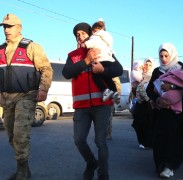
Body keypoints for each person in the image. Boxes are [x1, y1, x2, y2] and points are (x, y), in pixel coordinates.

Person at [0, 13, 53, 180]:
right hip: (6, 98)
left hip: (26, 95)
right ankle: (24, 166)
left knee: (20, 134)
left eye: (10, 26)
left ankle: (22, 170)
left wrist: (43, 89)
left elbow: (46, 69)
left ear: (19, 28)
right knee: (11, 135)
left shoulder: (32, 47)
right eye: (4, 27)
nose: (6, 30)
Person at [62, 22, 123, 180]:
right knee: (79, 140)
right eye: (77, 35)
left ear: (90, 35)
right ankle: (91, 162)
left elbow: (118, 69)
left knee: (100, 141)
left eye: (83, 33)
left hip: (102, 105)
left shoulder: (102, 50)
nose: (80, 36)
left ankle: (103, 175)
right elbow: (66, 73)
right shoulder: (73, 55)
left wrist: (104, 70)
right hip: (81, 107)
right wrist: (86, 61)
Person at [146, 43, 183, 178]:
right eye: (161, 56)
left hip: (179, 110)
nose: (163, 58)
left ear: (172, 54)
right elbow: (149, 90)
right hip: (162, 110)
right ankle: (163, 165)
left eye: (166, 55)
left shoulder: (180, 67)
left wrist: (171, 86)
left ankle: (177, 161)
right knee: (161, 137)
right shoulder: (157, 71)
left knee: (179, 135)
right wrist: (157, 100)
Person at [80, 18, 118, 102]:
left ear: (94, 31)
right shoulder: (107, 38)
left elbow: (91, 43)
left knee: (96, 77)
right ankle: (115, 92)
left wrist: (83, 45)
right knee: (108, 78)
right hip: (109, 59)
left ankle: (105, 91)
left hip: (100, 60)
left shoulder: (96, 37)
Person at [131, 58, 155, 149]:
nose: (147, 67)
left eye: (149, 65)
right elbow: (135, 89)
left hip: (149, 102)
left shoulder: (153, 75)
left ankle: (148, 142)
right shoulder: (139, 75)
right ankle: (142, 141)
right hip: (141, 103)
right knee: (139, 122)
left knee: (150, 123)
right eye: (146, 64)